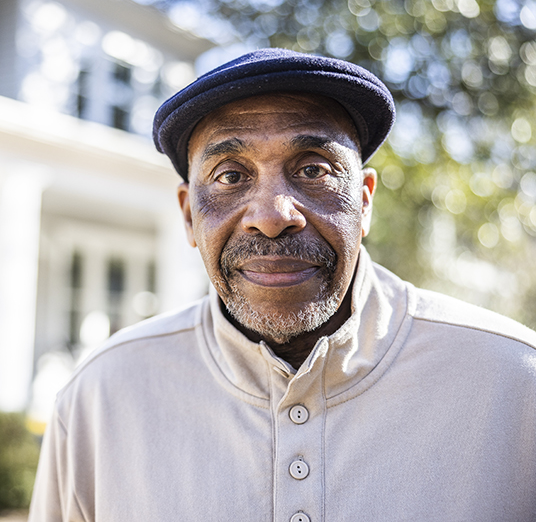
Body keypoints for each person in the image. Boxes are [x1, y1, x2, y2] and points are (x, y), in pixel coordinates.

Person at [28, 49, 536, 522]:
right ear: (188, 215)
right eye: (230, 176)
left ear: (364, 201)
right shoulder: (100, 398)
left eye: (313, 170)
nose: (272, 218)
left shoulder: (516, 386)